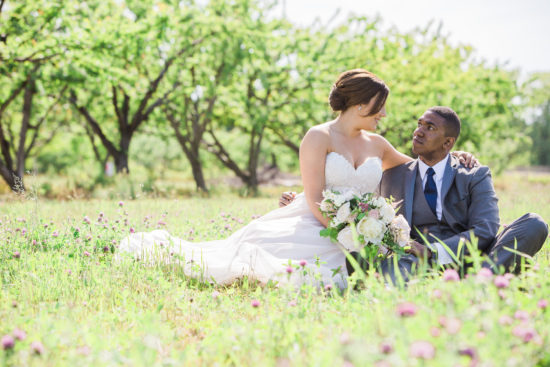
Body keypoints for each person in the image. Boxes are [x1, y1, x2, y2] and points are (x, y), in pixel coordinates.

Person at [118, 69, 475, 288]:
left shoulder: (379, 144)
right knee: (275, 267)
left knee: (352, 273)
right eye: (379, 106)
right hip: (314, 220)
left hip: (357, 226)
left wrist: (455, 155)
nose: (384, 114)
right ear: (360, 104)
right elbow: (317, 197)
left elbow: (416, 166)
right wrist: (347, 236)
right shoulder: (317, 137)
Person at [282, 106, 549, 278]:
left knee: (534, 224)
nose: (418, 131)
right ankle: (484, 282)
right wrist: (300, 200)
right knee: (392, 273)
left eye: (429, 128)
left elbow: (485, 231)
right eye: (419, 124)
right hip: (413, 260)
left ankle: (481, 281)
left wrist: (434, 251)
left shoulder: (474, 174)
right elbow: (355, 196)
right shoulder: (392, 174)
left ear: (448, 143)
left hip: (474, 256)